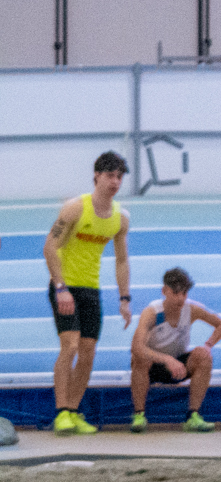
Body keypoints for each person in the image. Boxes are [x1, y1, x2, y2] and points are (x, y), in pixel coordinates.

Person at [44, 151, 132, 435]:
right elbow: (49, 247)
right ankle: (61, 412)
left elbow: (122, 260)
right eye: (110, 175)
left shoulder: (120, 218)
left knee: (88, 353)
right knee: (69, 346)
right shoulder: (74, 209)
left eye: (119, 177)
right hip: (65, 286)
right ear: (97, 175)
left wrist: (124, 298)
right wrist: (60, 287)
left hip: (91, 290)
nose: (115, 182)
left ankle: (73, 410)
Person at [129, 267, 221, 432]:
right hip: (153, 366)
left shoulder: (192, 309)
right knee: (139, 357)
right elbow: (136, 347)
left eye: (184, 293)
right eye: (175, 293)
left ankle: (193, 416)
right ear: (164, 291)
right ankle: (139, 415)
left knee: (203, 356)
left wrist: (208, 345)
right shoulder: (152, 313)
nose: (180, 298)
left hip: (179, 367)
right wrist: (167, 359)